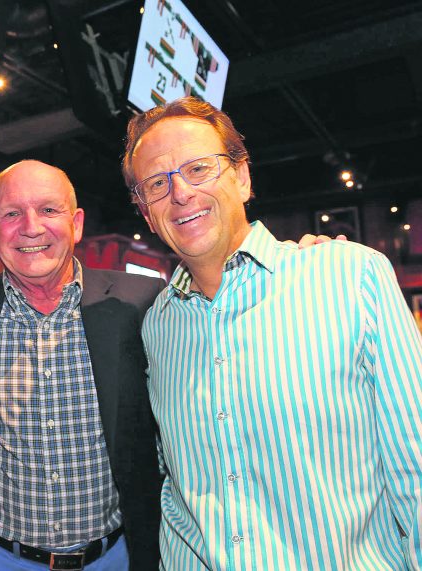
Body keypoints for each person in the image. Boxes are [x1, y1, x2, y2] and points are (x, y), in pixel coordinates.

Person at [123, 96, 422, 569]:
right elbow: (172, 484)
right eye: (157, 184)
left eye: (198, 168)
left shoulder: (350, 276)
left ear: (241, 177)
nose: (180, 193)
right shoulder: (157, 325)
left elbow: (416, 465)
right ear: (145, 211)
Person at [0, 160, 164, 570]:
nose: (31, 227)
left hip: (114, 558)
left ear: (76, 223)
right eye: (12, 213)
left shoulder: (141, 303)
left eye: (49, 210)